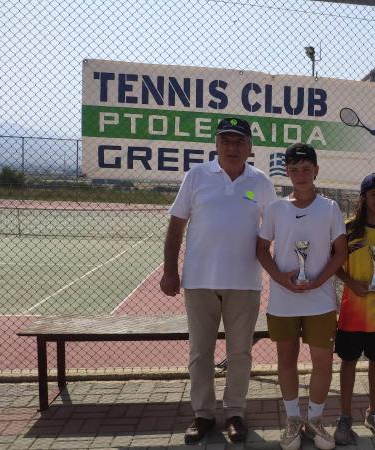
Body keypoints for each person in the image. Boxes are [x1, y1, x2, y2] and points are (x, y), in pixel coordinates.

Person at [160, 117, 276, 444]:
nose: (232, 147)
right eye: (226, 140)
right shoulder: (196, 176)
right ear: (216, 144)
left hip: (245, 282)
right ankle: (203, 415)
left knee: (240, 353)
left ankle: (235, 413)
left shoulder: (261, 182)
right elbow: (176, 225)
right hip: (199, 280)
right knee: (200, 352)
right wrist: (170, 270)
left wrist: (283, 273)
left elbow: (274, 228)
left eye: (239, 141)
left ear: (250, 147)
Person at [256, 143, 347, 450]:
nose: (300, 175)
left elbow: (341, 252)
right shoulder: (275, 209)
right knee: (286, 360)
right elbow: (261, 249)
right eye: (294, 170)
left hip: (320, 300)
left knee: (322, 362)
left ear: (316, 170)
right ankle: (293, 420)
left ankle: (316, 420)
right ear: (287, 172)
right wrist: (280, 278)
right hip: (283, 300)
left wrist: (319, 280)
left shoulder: (330, 208)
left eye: (306, 169)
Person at [332, 173, 375, 445]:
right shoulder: (348, 229)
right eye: (374, 194)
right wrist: (351, 282)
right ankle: (345, 415)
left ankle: (374, 412)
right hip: (352, 312)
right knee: (348, 361)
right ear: (363, 198)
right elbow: (334, 264)